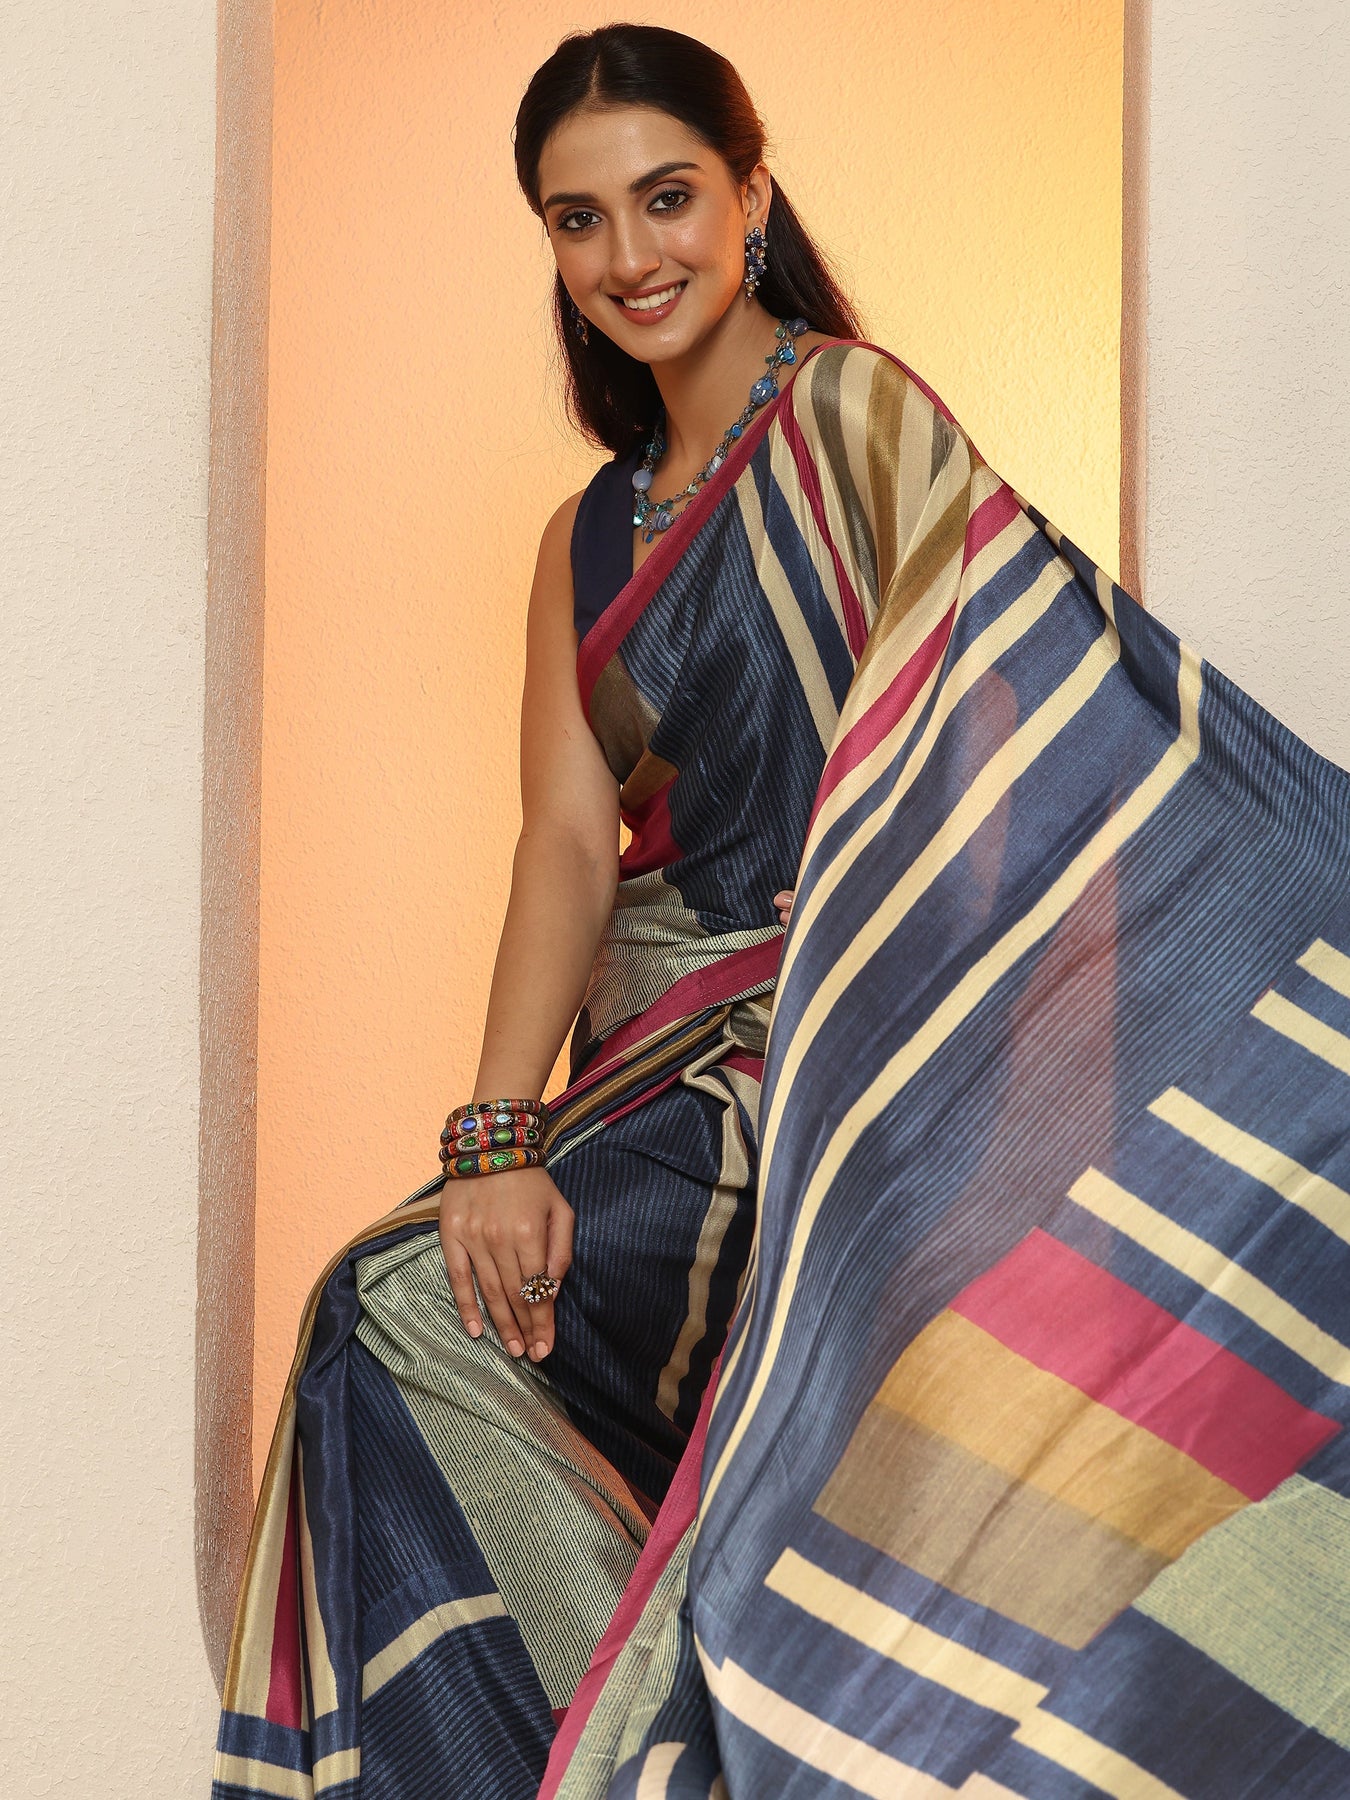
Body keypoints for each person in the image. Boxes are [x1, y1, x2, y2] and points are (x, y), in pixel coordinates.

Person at [213, 23, 1350, 1800]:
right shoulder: (584, 537)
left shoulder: (853, 418)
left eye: (666, 198)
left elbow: (1008, 739)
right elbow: (564, 842)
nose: (628, 256)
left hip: (845, 1044)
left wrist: (908, 1035)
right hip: (653, 1067)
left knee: (407, 1311)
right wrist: (495, 1136)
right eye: (576, 221)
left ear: (751, 197)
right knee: (398, 1316)